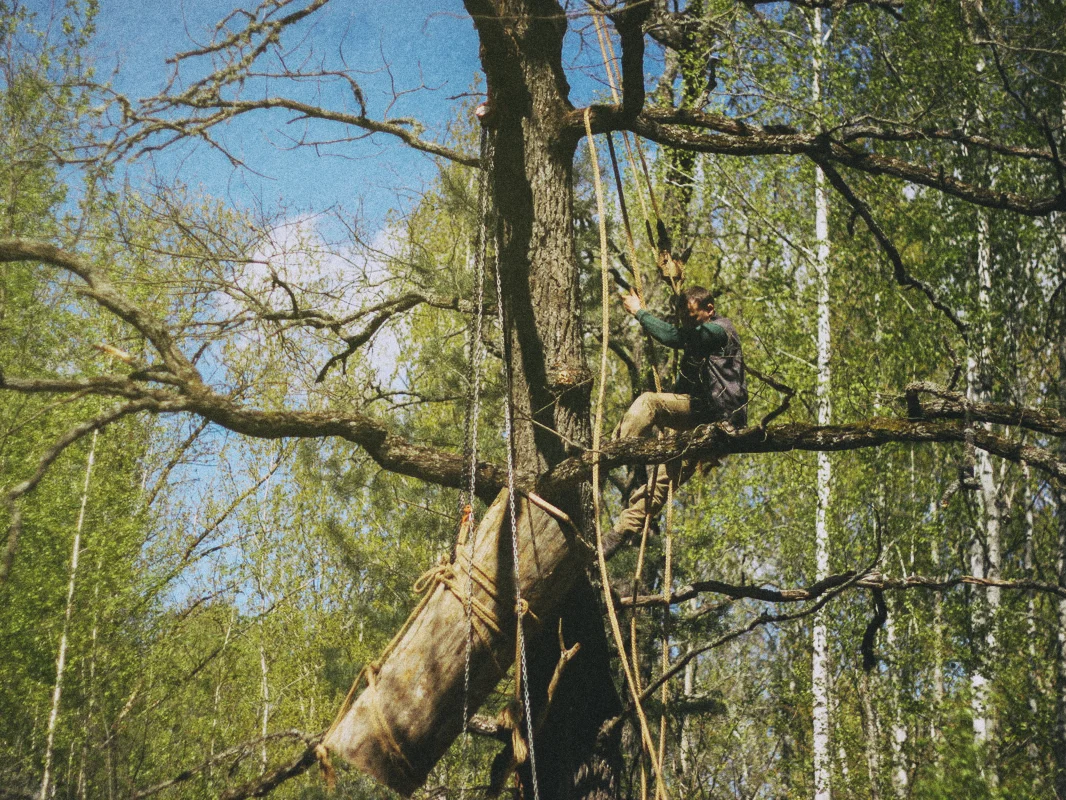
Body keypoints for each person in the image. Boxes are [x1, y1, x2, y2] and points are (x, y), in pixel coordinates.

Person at [610, 284, 748, 546]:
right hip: (706, 416)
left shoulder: (719, 331)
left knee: (649, 403)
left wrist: (640, 313)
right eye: (684, 319)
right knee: (665, 477)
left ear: (710, 310)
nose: (688, 324)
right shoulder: (701, 340)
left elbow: (676, 338)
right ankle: (622, 531)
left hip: (716, 417)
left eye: (692, 317)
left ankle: (615, 451)